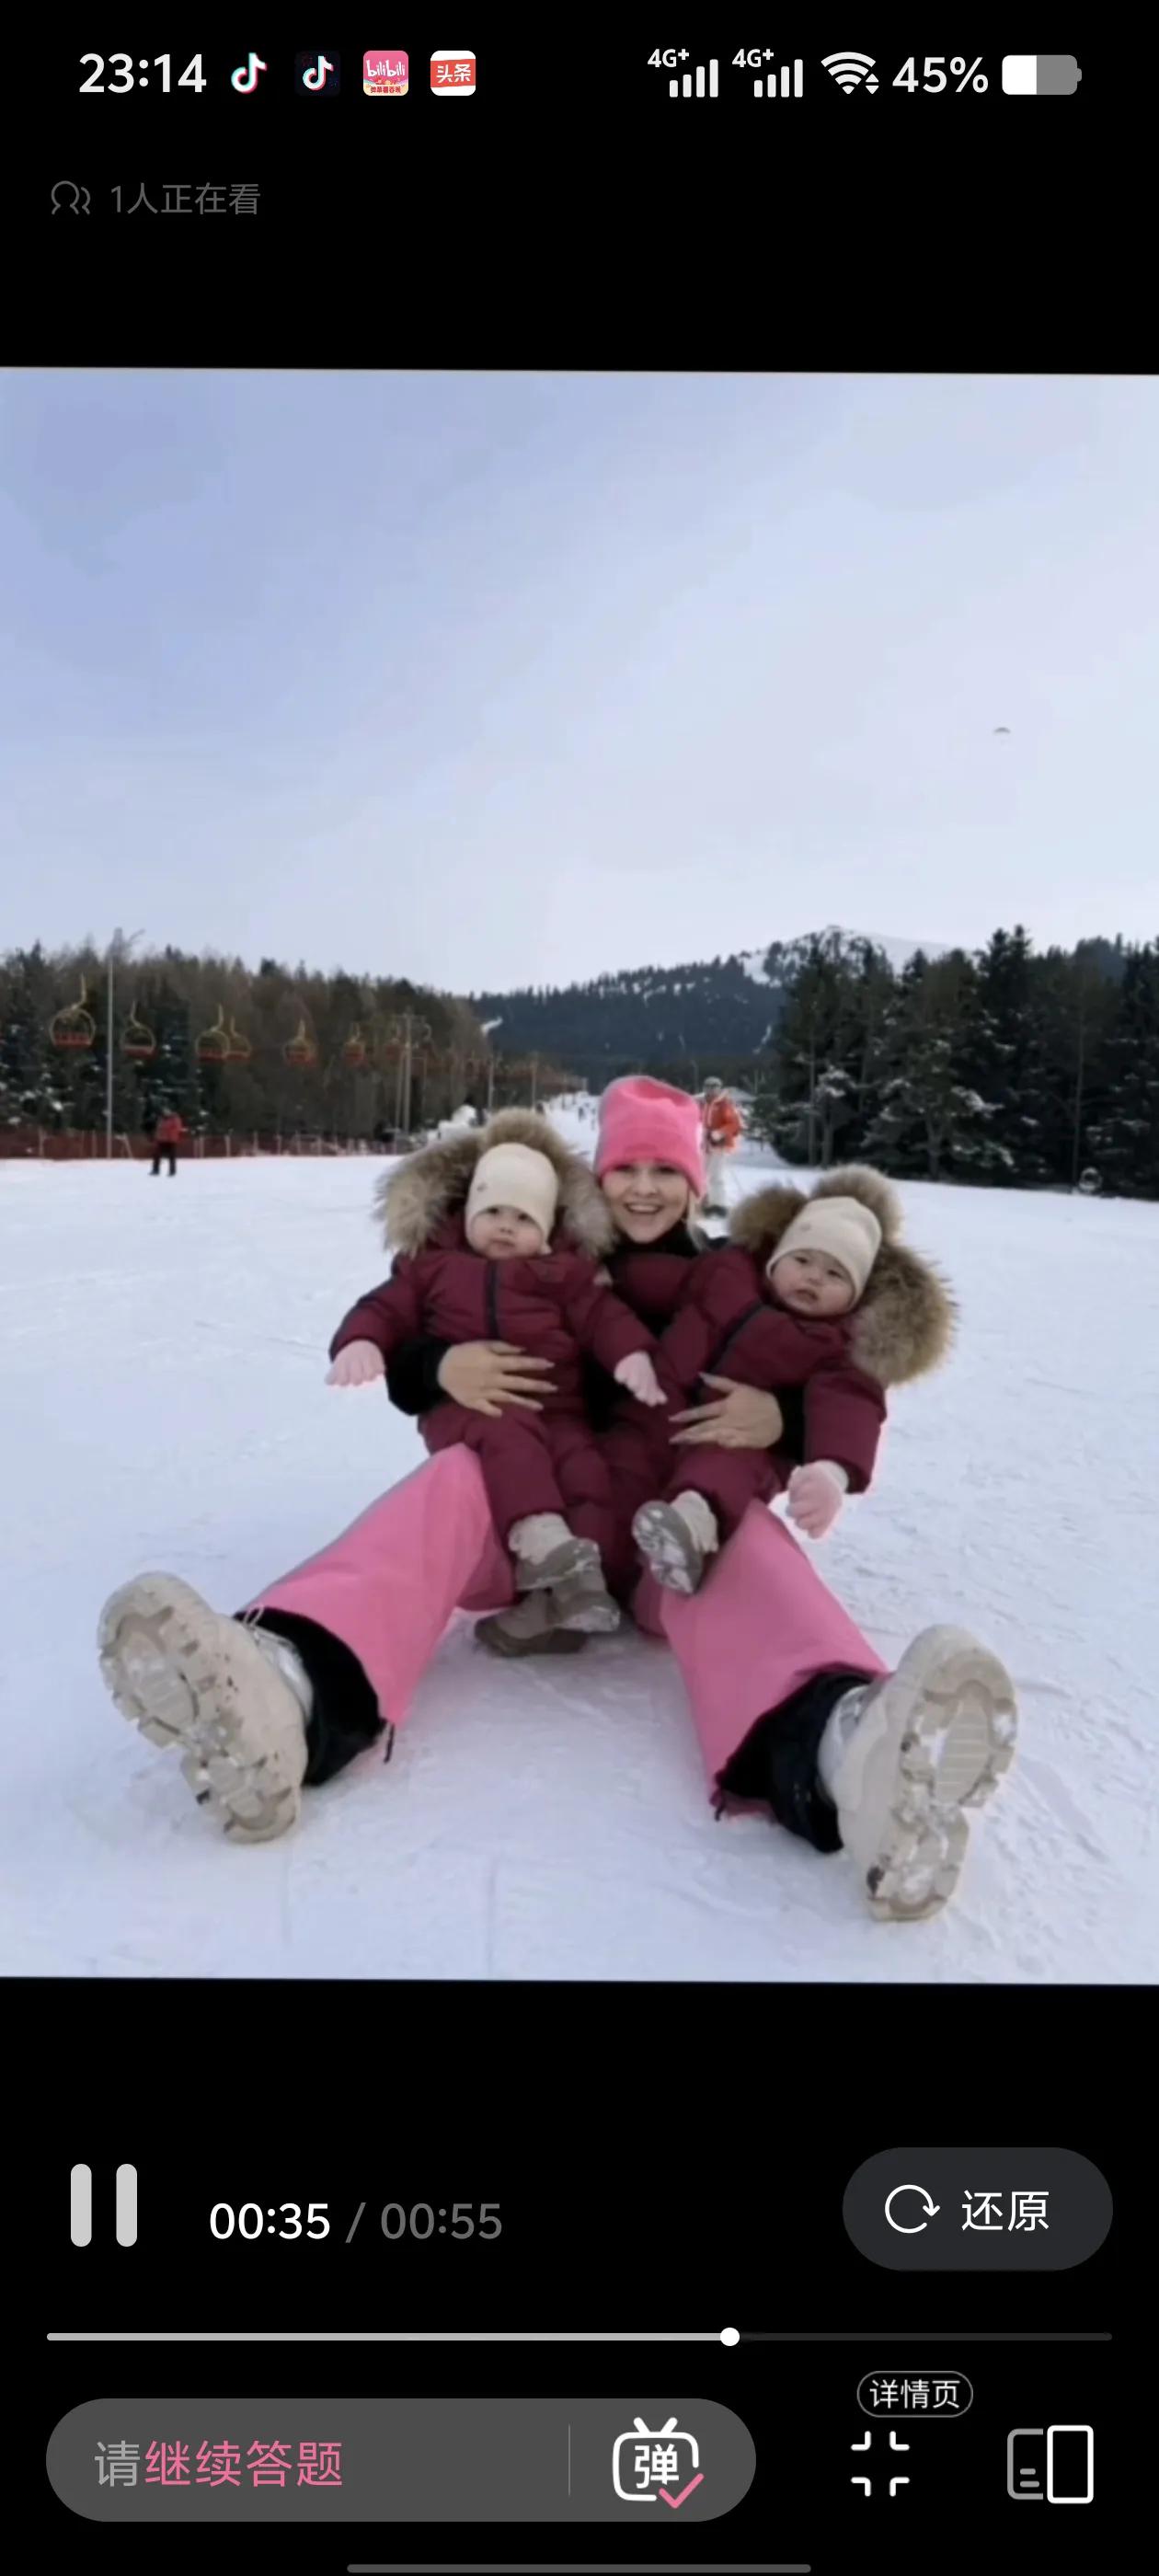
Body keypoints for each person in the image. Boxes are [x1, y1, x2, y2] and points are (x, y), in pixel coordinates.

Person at [97, 1076, 1016, 1922]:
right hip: (536, 1528)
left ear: (698, 1184)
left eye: (668, 1170)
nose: (647, 1189)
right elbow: (422, 1321)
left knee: (751, 1552)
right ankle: (291, 1683)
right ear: (592, 1176)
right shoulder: (538, 1250)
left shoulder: (742, 1276)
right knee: (455, 1480)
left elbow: (833, 1377)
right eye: (627, 1169)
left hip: (672, 1542)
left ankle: (845, 1749)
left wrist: (782, 1420)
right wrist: (432, 1364)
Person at [327, 1129, 664, 1634]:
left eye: (523, 1217)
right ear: (466, 1215)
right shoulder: (433, 1267)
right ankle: (538, 1537)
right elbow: (384, 1307)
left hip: (559, 1411)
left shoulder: (564, 1274)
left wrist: (633, 1354)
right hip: (470, 1409)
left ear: (548, 1229)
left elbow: (603, 1317)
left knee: (585, 1473)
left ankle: (577, 1587)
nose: (506, 1227)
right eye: (493, 1212)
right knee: (510, 1441)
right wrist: (362, 1342)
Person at [632, 1171, 942, 1593]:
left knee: (726, 1472)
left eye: (835, 1275)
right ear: (776, 1257)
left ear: (858, 1294)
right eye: (803, 1261)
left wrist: (832, 1473)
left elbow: (852, 1408)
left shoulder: (840, 1347)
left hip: (736, 1445)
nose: (813, 1277)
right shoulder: (727, 1272)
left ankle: (694, 1523)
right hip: (651, 1421)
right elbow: (665, 1280)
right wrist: (604, 1276)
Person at [701, 1078, 741, 1216]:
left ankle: (719, 1205)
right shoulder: (705, 1103)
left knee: (716, 1176)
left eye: (714, 1087)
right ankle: (706, 1201)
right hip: (706, 1145)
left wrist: (719, 1133)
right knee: (701, 1175)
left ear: (719, 1088)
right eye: (708, 1087)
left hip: (720, 1145)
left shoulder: (724, 1104)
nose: (711, 1090)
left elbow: (734, 1124)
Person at [151, 1110, 187, 1177]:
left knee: (172, 1157)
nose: (165, 1114)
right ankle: (155, 1170)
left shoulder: (175, 1119)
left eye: (166, 1112)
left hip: (171, 1140)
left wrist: (166, 1130)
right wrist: (157, 1137)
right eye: (164, 1113)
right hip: (161, 1140)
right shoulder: (161, 1119)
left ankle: (172, 1172)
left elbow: (177, 1128)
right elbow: (158, 1129)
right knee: (156, 1155)